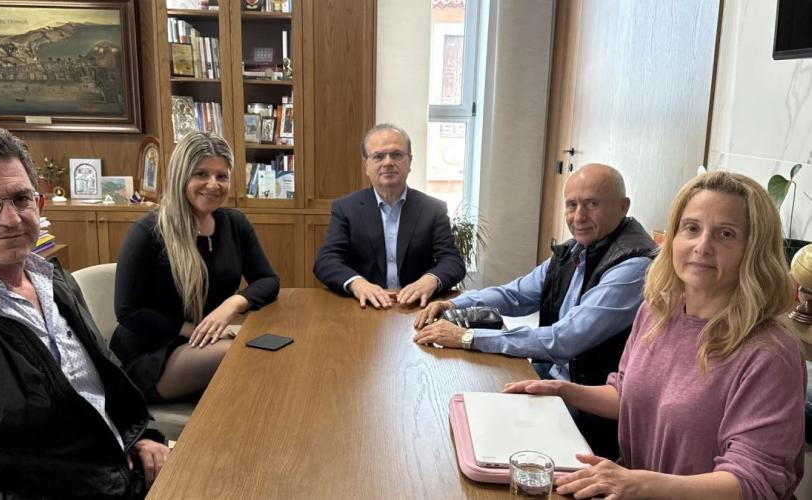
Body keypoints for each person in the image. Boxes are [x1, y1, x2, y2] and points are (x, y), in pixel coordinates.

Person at [504, 171, 806, 499]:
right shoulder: (656, 312)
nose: (702, 246)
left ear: (754, 249)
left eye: (726, 234)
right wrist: (563, 391)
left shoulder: (770, 352)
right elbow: (627, 396)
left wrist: (639, 483)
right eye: (692, 228)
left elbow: (754, 482)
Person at [0, 127, 169, 498]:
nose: (11, 219)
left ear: (38, 204)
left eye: (21, 198)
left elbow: (104, 376)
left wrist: (141, 436)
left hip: (126, 471)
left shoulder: (52, 278)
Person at [413, 163, 655, 457]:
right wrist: (453, 303)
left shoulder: (633, 266)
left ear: (623, 206)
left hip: (589, 409)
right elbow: (515, 294)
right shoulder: (576, 250)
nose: (579, 216)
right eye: (572, 205)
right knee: (461, 415)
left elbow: (564, 339)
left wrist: (467, 337)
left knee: (482, 439)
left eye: (592, 204)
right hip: (551, 377)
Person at [111, 132, 279, 403]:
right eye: (201, 174)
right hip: (150, 354)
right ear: (182, 176)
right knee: (242, 356)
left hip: (203, 340)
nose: (213, 184)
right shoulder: (149, 232)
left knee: (267, 358)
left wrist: (231, 305)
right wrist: (191, 328)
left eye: (222, 176)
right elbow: (128, 311)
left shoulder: (235, 224)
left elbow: (268, 280)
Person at [313, 123, 466, 308]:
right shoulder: (346, 208)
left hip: (416, 306)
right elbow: (326, 261)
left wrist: (430, 280)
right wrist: (357, 284)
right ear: (366, 165)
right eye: (378, 156)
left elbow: (452, 261)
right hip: (365, 306)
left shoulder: (433, 209)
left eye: (397, 155)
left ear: (409, 162)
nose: (387, 162)